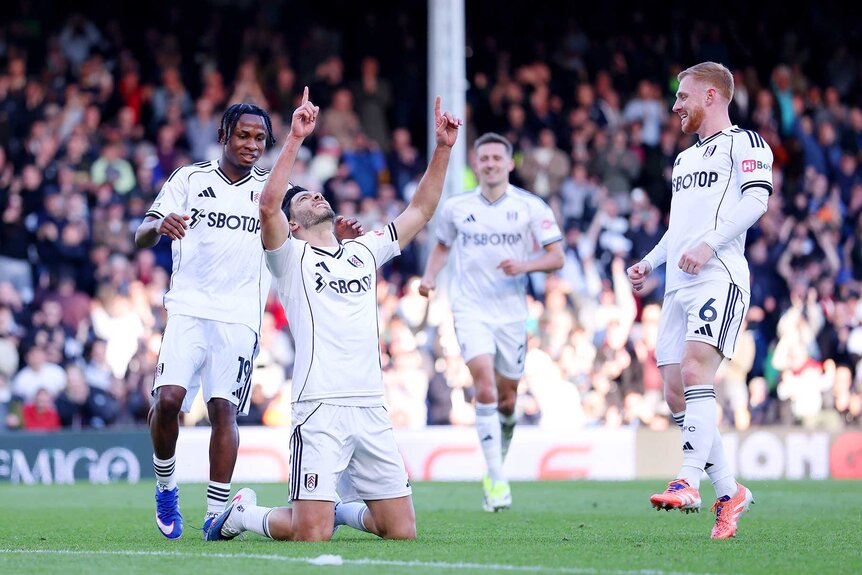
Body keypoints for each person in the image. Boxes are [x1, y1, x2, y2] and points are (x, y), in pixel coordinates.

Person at [206, 88, 461, 542]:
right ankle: (243, 513)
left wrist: (441, 150)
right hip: (320, 407)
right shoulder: (289, 259)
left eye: (317, 194)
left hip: (370, 406)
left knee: (400, 532)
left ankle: (339, 510)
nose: (315, 197)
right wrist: (296, 137)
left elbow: (421, 209)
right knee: (311, 534)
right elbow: (268, 205)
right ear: (295, 226)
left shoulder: (364, 250)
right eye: (303, 200)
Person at [135, 101, 363, 540]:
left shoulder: (272, 190)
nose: (252, 145)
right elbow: (140, 231)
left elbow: (310, 214)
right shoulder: (189, 179)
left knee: (225, 411)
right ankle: (166, 487)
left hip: (240, 317)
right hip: (187, 307)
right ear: (224, 135)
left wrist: (336, 232)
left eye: (260, 138)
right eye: (243, 135)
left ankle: (216, 511)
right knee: (166, 401)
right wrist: (160, 224)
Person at [626, 62, 773, 539]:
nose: (675, 106)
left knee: (695, 371)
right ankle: (729, 493)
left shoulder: (745, 143)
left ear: (712, 96)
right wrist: (650, 262)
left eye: (682, 97)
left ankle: (689, 480)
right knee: (673, 390)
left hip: (719, 276)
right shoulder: (685, 160)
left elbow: (756, 202)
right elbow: (678, 230)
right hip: (678, 285)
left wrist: (710, 245)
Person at [418, 132, 564, 512]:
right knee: (483, 385)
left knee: (507, 399)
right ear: (475, 163)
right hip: (470, 308)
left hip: (512, 313)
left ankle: (501, 447)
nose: (490, 164)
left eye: (497, 158)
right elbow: (442, 246)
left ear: (510, 163)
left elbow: (557, 257)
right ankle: (497, 479)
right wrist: (431, 276)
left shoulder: (530, 207)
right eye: (484, 158)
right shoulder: (456, 207)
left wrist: (525, 265)